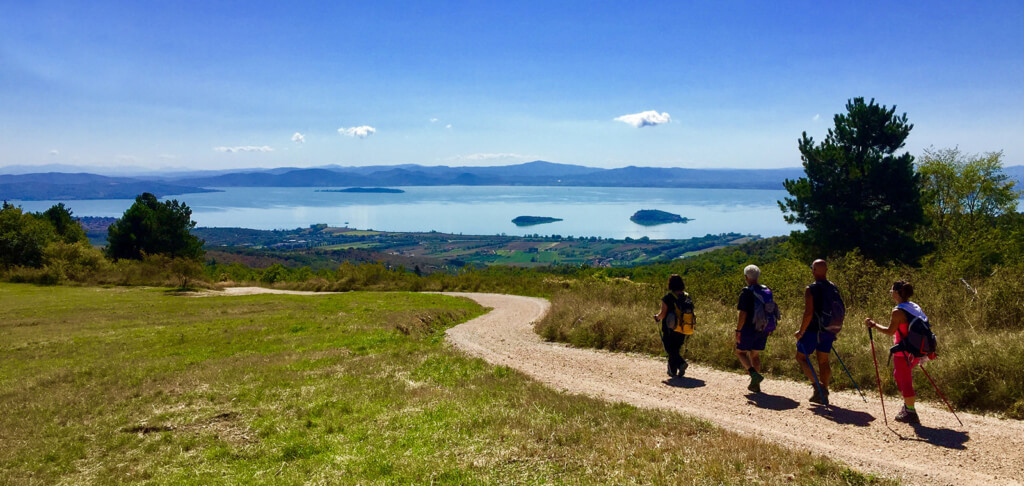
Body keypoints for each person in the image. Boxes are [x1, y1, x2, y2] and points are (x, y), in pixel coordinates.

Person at [865, 280, 925, 424]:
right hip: (917, 350)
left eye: (892, 291)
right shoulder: (914, 306)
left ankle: (910, 412)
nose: (891, 293)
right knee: (899, 376)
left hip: (903, 351)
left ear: (897, 293)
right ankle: (908, 406)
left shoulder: (898, 311)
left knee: (905, 381)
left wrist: (873, 325)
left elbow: (890, 331)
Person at [794, 259, 836, 405]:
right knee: (823, 361)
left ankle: (818, 388)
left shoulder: (810, 289)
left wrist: (801, 331)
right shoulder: (833, 287)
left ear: (814, 271)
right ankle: (822, 393)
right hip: (829, 330)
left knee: (801, 357)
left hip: (813, 330)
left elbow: (808, 313)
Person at [736, 265, 768, 392]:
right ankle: (756, 385)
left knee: (740, 352)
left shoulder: (746, 292)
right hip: (763, 327)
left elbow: (743, 314)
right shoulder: (766, 290)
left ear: (746, 277)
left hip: (748, 328)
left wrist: (738, 330)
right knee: (754, 355)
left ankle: (754, 375)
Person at [654, 274, 691, 377]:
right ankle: (673, 371)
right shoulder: (686, 296)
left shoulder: (668, 298)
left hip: (670, 329)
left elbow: (663, 314)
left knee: (670, 350)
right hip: (683, 328)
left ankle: (681, 364)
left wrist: (657, 317)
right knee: (675, 349)